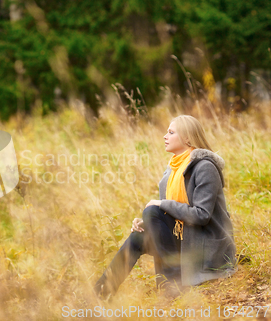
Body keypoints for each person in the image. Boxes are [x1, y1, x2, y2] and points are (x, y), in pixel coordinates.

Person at [94, 115, 237, 299]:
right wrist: (148, 222)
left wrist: (160, 205)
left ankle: (174, 287)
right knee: (139, 235)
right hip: (184, 240)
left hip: (205, 247)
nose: (164, 136)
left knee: (153, 209)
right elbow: (169, 215)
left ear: (187, 138)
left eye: (171, 132)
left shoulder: (204, 167)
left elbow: (201, 215)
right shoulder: (171, 170)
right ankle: (101, 294)